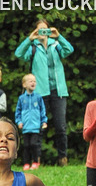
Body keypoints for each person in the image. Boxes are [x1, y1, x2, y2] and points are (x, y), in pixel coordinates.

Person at [14, 18, 73, 166]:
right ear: (36, 31)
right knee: (38, 127)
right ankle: (36, 160)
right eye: (39, 30)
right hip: (40, 91)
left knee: (61, 127)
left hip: (58, 90)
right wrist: (29, 39)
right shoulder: (33, 47)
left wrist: (58, 36)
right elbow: (19, 54)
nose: (42, 33)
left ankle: (62, 158)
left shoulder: (56, 45)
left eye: (45, 30)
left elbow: (69, 50)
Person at [15, 74, 48, 169]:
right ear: (24, 84)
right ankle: (26, 163)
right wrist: (19, 122)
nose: (33, 83)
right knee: (26, 146)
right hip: (25, 127)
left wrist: (44, 121)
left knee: (34, 144)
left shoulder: (38, 97)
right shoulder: (21, 98)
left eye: (34, 81)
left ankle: (35, 162)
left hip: (35, 127)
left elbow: (42, 110)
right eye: (30, 81)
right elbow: (18, 111)